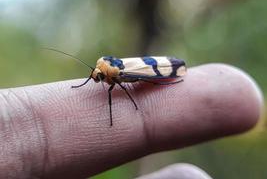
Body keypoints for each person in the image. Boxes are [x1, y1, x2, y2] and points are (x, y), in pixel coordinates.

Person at [0, 64, 262, 179]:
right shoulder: (104, 72)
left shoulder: (115, 75)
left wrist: (131, 103)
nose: (97, 79)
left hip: (146, 68)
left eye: (100, 77)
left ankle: (175, 76)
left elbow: (126, 85)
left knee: (142, 80)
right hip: (130, 70)